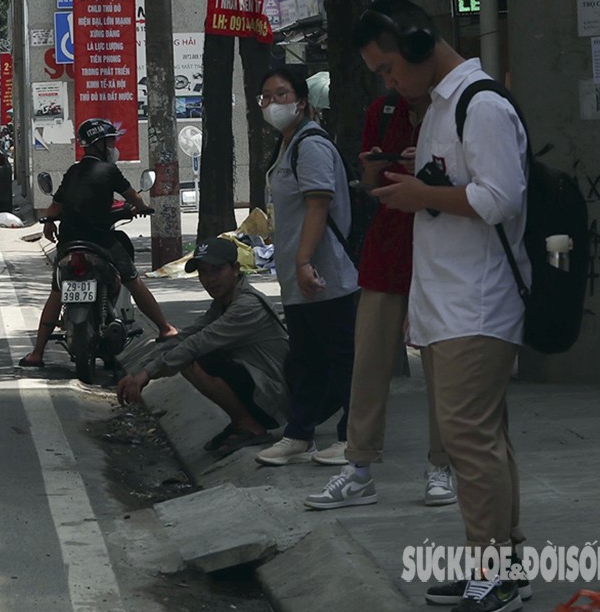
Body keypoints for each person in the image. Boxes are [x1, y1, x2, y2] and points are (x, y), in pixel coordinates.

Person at [353, 0, 530, 612]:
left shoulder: (480, 105)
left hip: (476, 302)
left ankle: (496, 572)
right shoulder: (438, 110)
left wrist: (422, 192)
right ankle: (500, 560)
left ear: (422, 45)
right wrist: (412, 182)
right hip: (449, 298)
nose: (390, 82)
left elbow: (498, 197)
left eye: (389, 68)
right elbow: (452, 186)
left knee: (467, 440)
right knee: (483, 437)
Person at [305, 89, 456, 511]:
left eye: (394, 65)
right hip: (387, 248)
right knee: (368, 359)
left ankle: (441, 466)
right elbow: (370, 183)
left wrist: (424, 167)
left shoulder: (454, 109)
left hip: (441, 247)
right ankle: (358, 468)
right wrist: (380, 166)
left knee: (439, 364)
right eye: (383, 71)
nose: (391, 77)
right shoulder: (382, 109)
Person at [252, 66, 359, 468]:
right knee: (307, 359)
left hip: (323, 273)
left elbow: (319, 204)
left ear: (301, 101)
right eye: (266, 96)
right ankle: (299, 434)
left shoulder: (310, 144)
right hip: (301, 277)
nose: (273, 103)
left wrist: (302, 261)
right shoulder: (288, 144)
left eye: (282, 94)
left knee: (343, 357)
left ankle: (356, 437)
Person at [18, 118, 177, 368]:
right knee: (132, 280)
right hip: (101, 241)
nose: (113, 146)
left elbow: (55, 205)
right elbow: (132, 196)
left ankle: (37, 353)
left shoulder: (72, 171)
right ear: (99, 144)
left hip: (69, 242)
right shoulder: (109, 171)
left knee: (57, 292)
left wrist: (49, 222)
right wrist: (142, 207)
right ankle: (165, 328)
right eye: (110, 141)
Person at [116, 238, 289, 459]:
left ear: (235, 269)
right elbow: (185, 336)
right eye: (203, 272)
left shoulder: (247, 305)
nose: (209, 279)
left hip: (276, 395)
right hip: (259, 385)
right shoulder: (224, 303)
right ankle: (241, 421)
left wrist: (146, 375)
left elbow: (197, 343)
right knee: (186, 352)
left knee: (191, 358)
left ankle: (250, 425)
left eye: (216, 270)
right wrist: (138, 371)